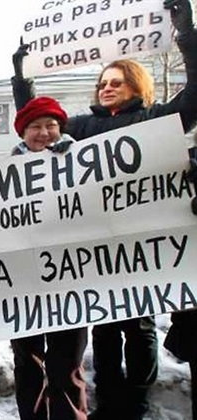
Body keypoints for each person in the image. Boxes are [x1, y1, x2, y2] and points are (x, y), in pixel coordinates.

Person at [11, 1, 197, 418]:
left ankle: (137, 399)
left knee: (140, 324)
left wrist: (185, 32)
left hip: (142, 240)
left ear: (137, 85)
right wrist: (22, 79)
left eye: (117, 81)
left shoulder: (156, 119)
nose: (107, 87)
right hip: (96, 245)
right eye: (102, 82)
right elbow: (37, 123)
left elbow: (195, 97)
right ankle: (109, 397)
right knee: (108, 325)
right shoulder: (80, 127)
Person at [10, 96, 87, 420]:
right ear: (23, 134)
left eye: (50, 126)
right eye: (35, 127)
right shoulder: (3, 174)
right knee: (27, 360)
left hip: (72, 280)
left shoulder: (86, 164)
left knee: (67, 363)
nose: (43, 133)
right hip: (24, 284)